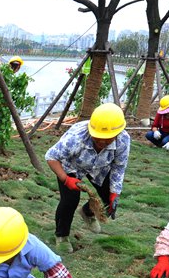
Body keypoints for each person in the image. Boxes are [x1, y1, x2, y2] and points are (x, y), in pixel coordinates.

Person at [45, 103, 130, 252]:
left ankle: (88, 212)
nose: (102, 142)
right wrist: (65, 178)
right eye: (98, 138)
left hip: (99, 167)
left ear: (117, 134)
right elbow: (51, 157)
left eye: (108, 138)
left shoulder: (123, 140)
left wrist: (115, 192)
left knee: (107, 197)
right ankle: (62, 236)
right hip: (71, 166)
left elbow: (119, 166)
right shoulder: (76, 137)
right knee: (70, 200)